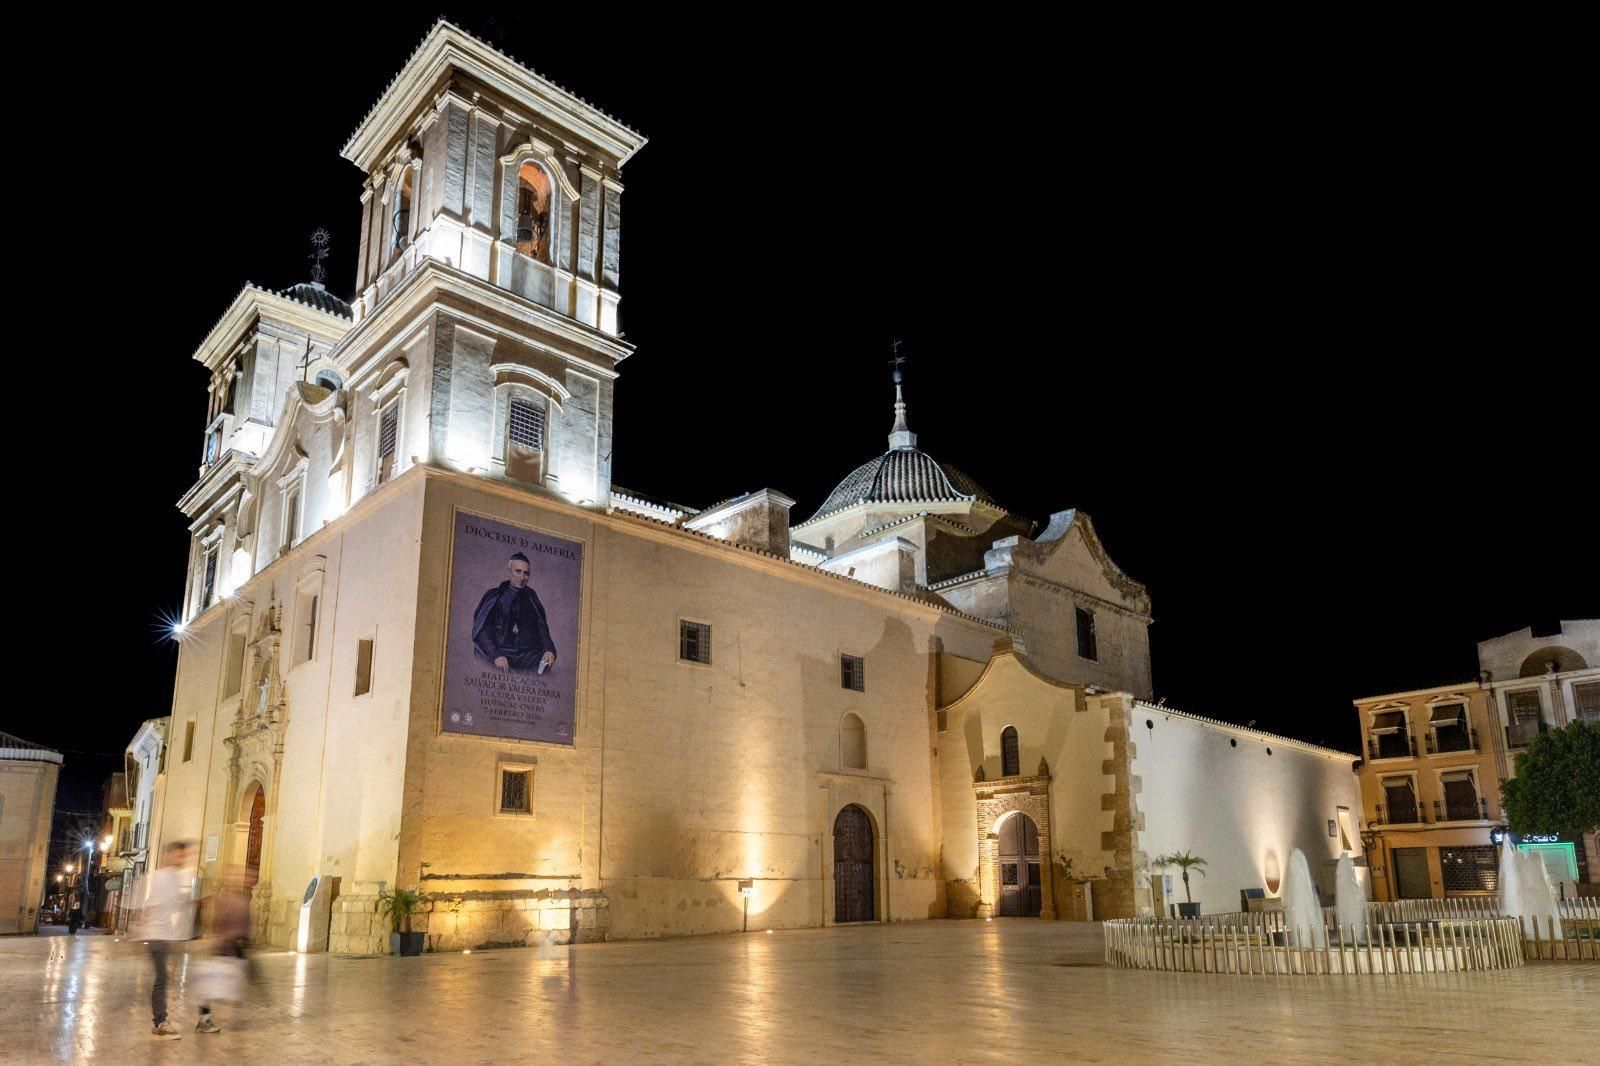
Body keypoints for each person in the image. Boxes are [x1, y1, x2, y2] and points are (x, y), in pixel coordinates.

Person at [134, 840, 217, 1039]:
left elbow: (177, 904)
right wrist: (140, 932)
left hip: (169, 936)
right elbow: (148, 906)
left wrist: (200, 901)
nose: (184, 859)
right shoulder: (160, 877)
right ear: (170, 855)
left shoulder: (172, 877)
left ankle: (203, 1020)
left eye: (186, 856)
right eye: (181, 855)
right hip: (157, 937)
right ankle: (160, 1023)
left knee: (192, 975)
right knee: (162, 979)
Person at [471, 552, 557, 673]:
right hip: (500, 653)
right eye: (518, 571)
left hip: (526, 656)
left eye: (526, 573)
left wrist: (549, 649)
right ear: (509, 572)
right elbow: (481, 631)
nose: (522, 577)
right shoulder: (494, 596)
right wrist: (495, 655)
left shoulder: (532, 597)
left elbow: (541, 627)